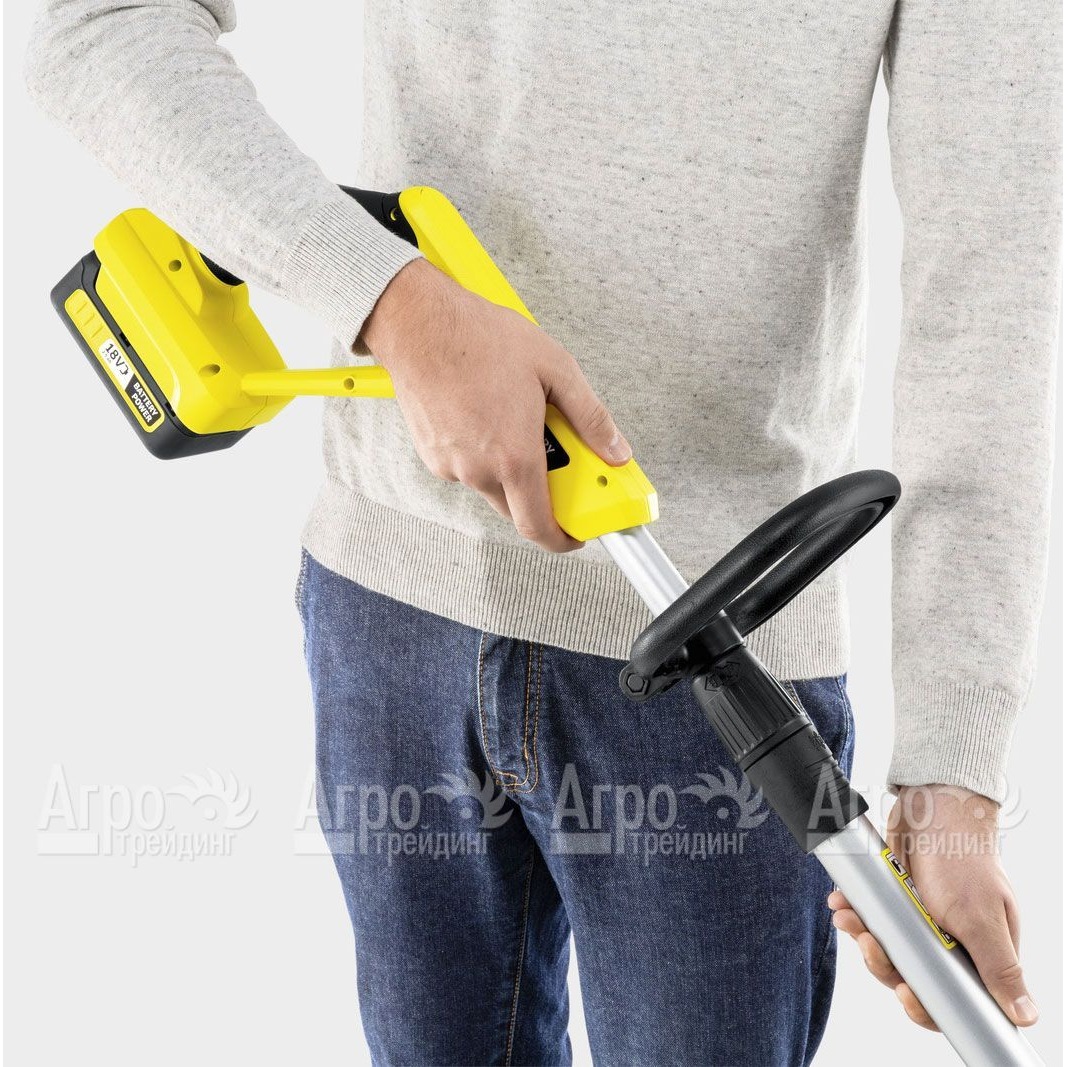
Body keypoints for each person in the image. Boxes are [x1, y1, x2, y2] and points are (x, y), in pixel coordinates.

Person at [26, 2, 1058, 1064]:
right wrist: (392, 302)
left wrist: (953, 774)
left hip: (722, 669)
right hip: (394, 612)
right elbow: (103, 25)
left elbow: (986, 303)